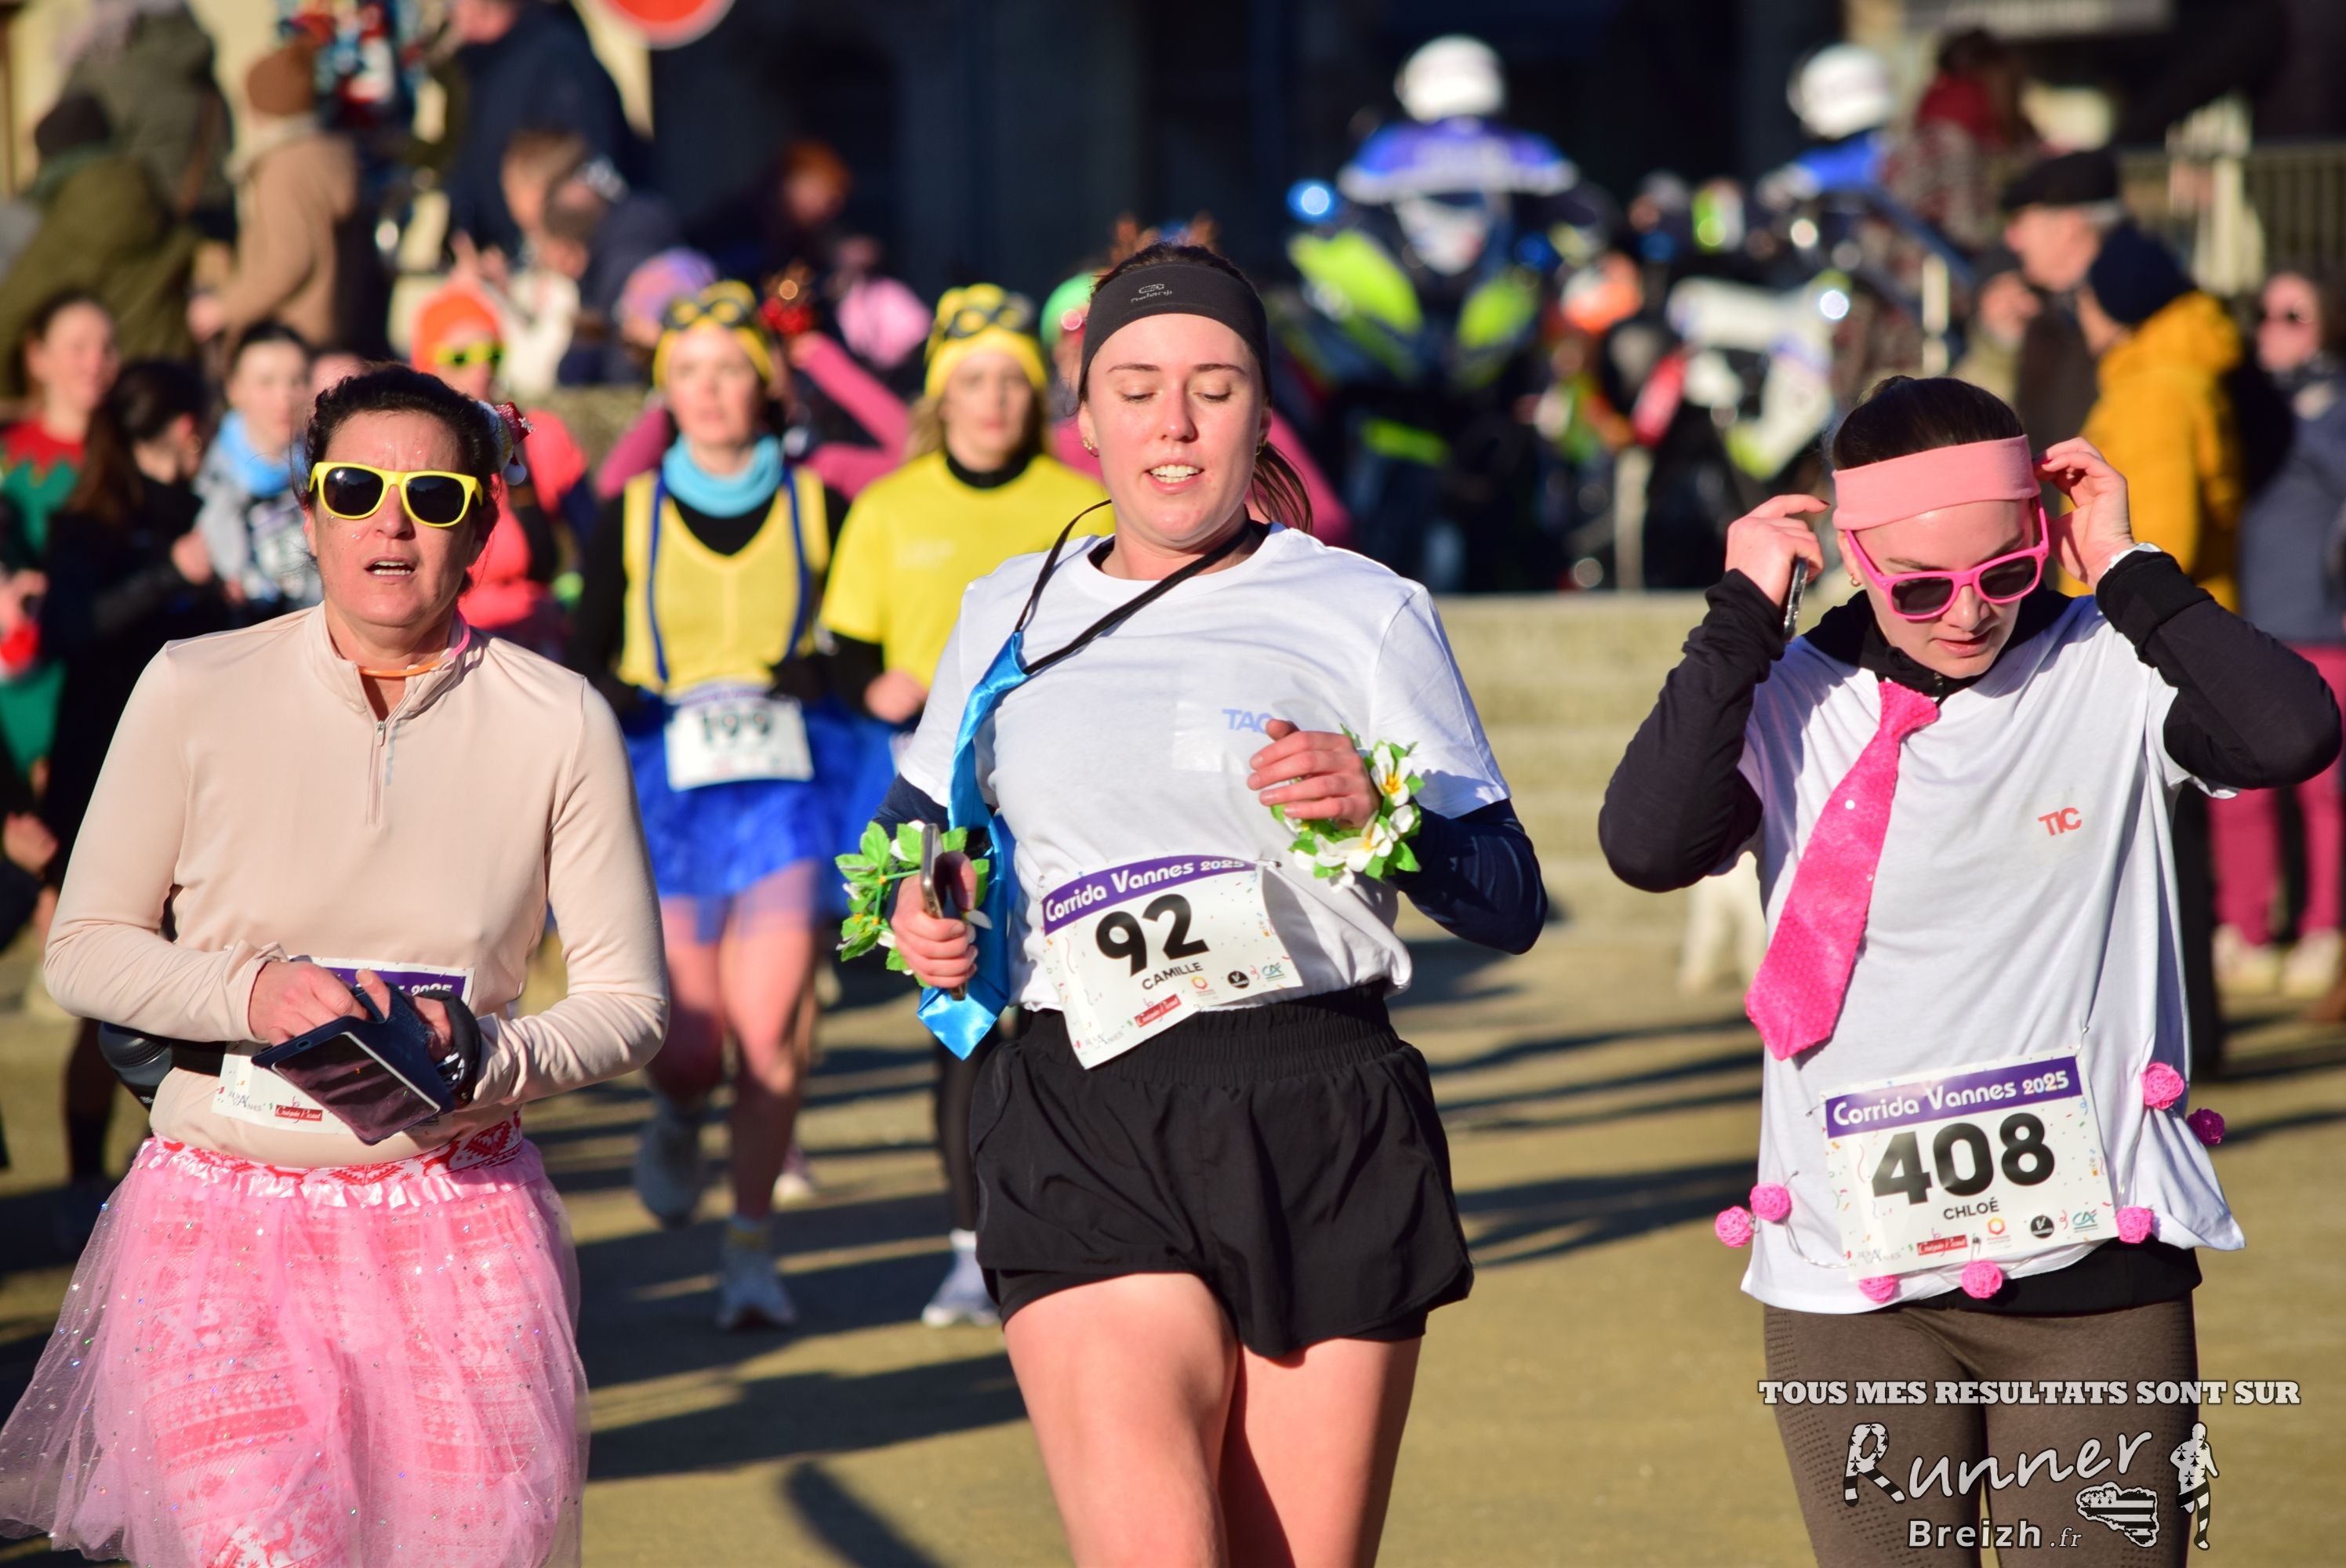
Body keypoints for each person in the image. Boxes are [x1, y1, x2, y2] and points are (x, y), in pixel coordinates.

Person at [1597, 376, 2337, 1567]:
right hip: (1851, 1280)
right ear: (1856, 556)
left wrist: (2128, 567)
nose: (1968, 612)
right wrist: (1738, 618)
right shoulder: (1789, 698)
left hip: (2095, 1269)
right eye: (1920, 586)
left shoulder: (2107, 662)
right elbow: (1647, 844)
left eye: (2005, 570)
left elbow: (2292, 731)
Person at [881, 244, 1545, 1563]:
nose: (1173, 424)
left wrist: (1384, 813)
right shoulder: (1006, 609)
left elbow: (1507, 898)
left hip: (1322, 1112)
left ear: (1263, 412)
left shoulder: (1362, 608)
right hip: (1079, 1111)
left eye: (1214, 387)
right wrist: (921, 910)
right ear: (1085, 419)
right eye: (1135, 390)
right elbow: (918, 835)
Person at [0, 364, 666, 1566]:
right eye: (356, 489)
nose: (390, 522)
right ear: (309, 514)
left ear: (482, 524)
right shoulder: (192, 685)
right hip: (220, 1221)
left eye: (432, 494)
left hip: (460, 1225)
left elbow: (629, 1005)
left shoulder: (560, 718)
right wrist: (250, 991)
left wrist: (486, 1054)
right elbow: (85, 949)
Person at [821, 284, 1109, 1327]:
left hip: (1059, 791)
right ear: (940, 397)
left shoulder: (1078, 501)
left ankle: (1081, 1230)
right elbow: (844, 649)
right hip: (940, 804)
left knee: (1068, 1009)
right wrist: (873, 684)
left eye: (1010, 383)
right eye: (972, 381)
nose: (992, 401)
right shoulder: (891, 506)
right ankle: (964, 1244)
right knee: (966, 1017)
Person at [567, 281, 848, 1330]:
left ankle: (750, 1250)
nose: (713, 390)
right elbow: (585, 656)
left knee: (770, 1036)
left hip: (785, 799)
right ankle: (677, 1113)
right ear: (666, 392)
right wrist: (624, 694)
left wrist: (824, 671)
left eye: (731, 369)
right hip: (670, 798)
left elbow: (859, 642)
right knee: (690, 1042)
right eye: (689, 372)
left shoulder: (819, 503)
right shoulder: (632, 511)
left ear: (763, 386)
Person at [38, 360, 230, 1246]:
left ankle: (184, 1160)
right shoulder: (87, 526)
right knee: (108, 988)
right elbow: (71, 630)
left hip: (203, 780)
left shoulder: (202, 513)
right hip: (101, 780)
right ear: (186, 429)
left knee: (195, 978)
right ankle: (82, 1178)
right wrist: (170, 573)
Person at [2213, 268, 2346, 997]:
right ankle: (2245, 929)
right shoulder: (2241, 401)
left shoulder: (2334, 407)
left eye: (2294, 314)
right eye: (2264, 313)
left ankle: (2325, 929)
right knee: (2243, 789)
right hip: (2248, 628)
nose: (2273, 327)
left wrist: (2310, 410)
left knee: (2327, 795)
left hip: (2324, 629)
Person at [1044, 269, 1354, 550]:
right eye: (1138, 393)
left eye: (1212, 393)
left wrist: (1265, 530)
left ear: (1261, 419)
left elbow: (1328, 519)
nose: (1176, 425)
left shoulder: (1246, 425)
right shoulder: (1047, 447)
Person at [410, 281, 590, 655]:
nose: (481, 370)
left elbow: (598, 542)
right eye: (461, 357)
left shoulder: (533, 433)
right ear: (427, 366)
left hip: (537, 639)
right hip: (445, 640)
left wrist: (568, 604)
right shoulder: (410, 452)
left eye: (491, 354)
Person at [2075, 226, 2246, 605]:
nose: (2080, 311)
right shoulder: (2158, 375)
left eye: (2084, 297)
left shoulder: (2156, 392)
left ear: (2114, 306)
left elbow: (2162, 545)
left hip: (2150, 625)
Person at [0, 294, 120, 789]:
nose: (95, 362)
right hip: (19, 683)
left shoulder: (130, 458)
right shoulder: (8, 455)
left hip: (104, 684)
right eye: (78, 347)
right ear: (38, 357)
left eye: (107, 347)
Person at [0, 95, 196, 391]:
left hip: (93, 394)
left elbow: (7, 321)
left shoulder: (66, 226)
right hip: (167, 388)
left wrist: (14, 398)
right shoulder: (155, 202)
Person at [186, 38, 361, 354]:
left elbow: (287, 262)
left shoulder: (284, 169)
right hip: (327, 329)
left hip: (287, 336)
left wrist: (224, 309)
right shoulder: (327, 155)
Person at [444, 0, 634, 258]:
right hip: (515, 259)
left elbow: (587, 176)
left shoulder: (556, 56)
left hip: (572, 262)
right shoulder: (485, 66)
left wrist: (544, 251)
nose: (448, 10)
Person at [57, 0, 234, 238]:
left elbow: (68, 151)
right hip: (214, 214)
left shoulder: (108, 64)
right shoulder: (199, 60)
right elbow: (225, 140)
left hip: (142, 225)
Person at [2000, 150, 2123, 452]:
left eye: (2023, 222)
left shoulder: (2132, 319)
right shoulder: (2044, 314)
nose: (2012, 240)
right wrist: (1997, 341)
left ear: (2069, 227)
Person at [195, 322, 318, 614]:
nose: (284, 397)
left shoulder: (326, 471)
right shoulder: (202, 480)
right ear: (234, 390)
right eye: (266, 382)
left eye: (297, 381)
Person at [1949, 246, 2039, 409]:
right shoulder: (1964, 390)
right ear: (1980, 305)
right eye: (1999, 295)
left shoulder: (2069, 367)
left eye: (2023, 292)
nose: (2012, 306)